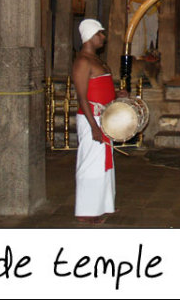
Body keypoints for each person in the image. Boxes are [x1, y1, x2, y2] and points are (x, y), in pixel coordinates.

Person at [72, 18, 117, 223]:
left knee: (104, 164)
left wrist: (119, 95)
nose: (103, 37)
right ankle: (86, 211)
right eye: (100, 33)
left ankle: (103, 204)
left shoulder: (97, 60)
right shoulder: (83, 61)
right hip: (92, 119)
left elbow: (103, 89)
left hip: (104, 118)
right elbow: (82, 97)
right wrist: (93, 127)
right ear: (90, 35)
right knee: (91, 163)